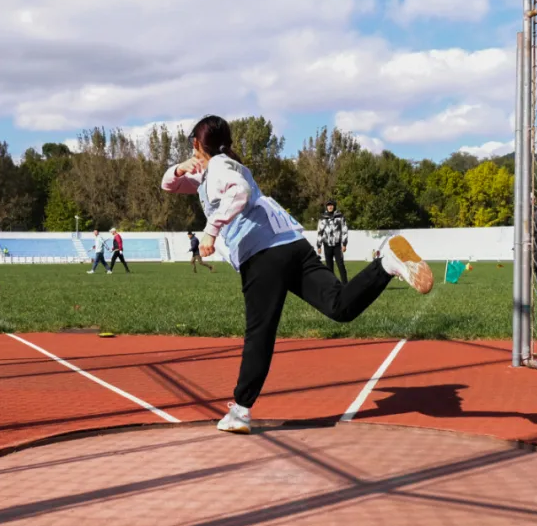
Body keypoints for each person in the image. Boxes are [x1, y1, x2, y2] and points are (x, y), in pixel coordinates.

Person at [161, 115, 434, 435]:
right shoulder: (212, 171)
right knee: (339, 306)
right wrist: (179, 168)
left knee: (259, 333)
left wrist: (210, 231)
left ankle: (241, 410)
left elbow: (240, 191)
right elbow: (169, 185)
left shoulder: (220, 167)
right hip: (292, 244)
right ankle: (386, 263)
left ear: (196, 143)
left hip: (262, 254)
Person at [316, 199, 349, 283]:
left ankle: (345, 284)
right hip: (326, 245)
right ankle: (332, 285)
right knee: (329, 267)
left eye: (331, 205)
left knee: (341, 265)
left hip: (337, 245)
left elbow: (344, 230)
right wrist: (319, 245)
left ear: (334, 206)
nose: (330, 207)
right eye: (328, 205)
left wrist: (344, 244)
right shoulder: (323, 217)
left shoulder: (340, 216)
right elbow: (320, 232)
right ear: (326, 207)